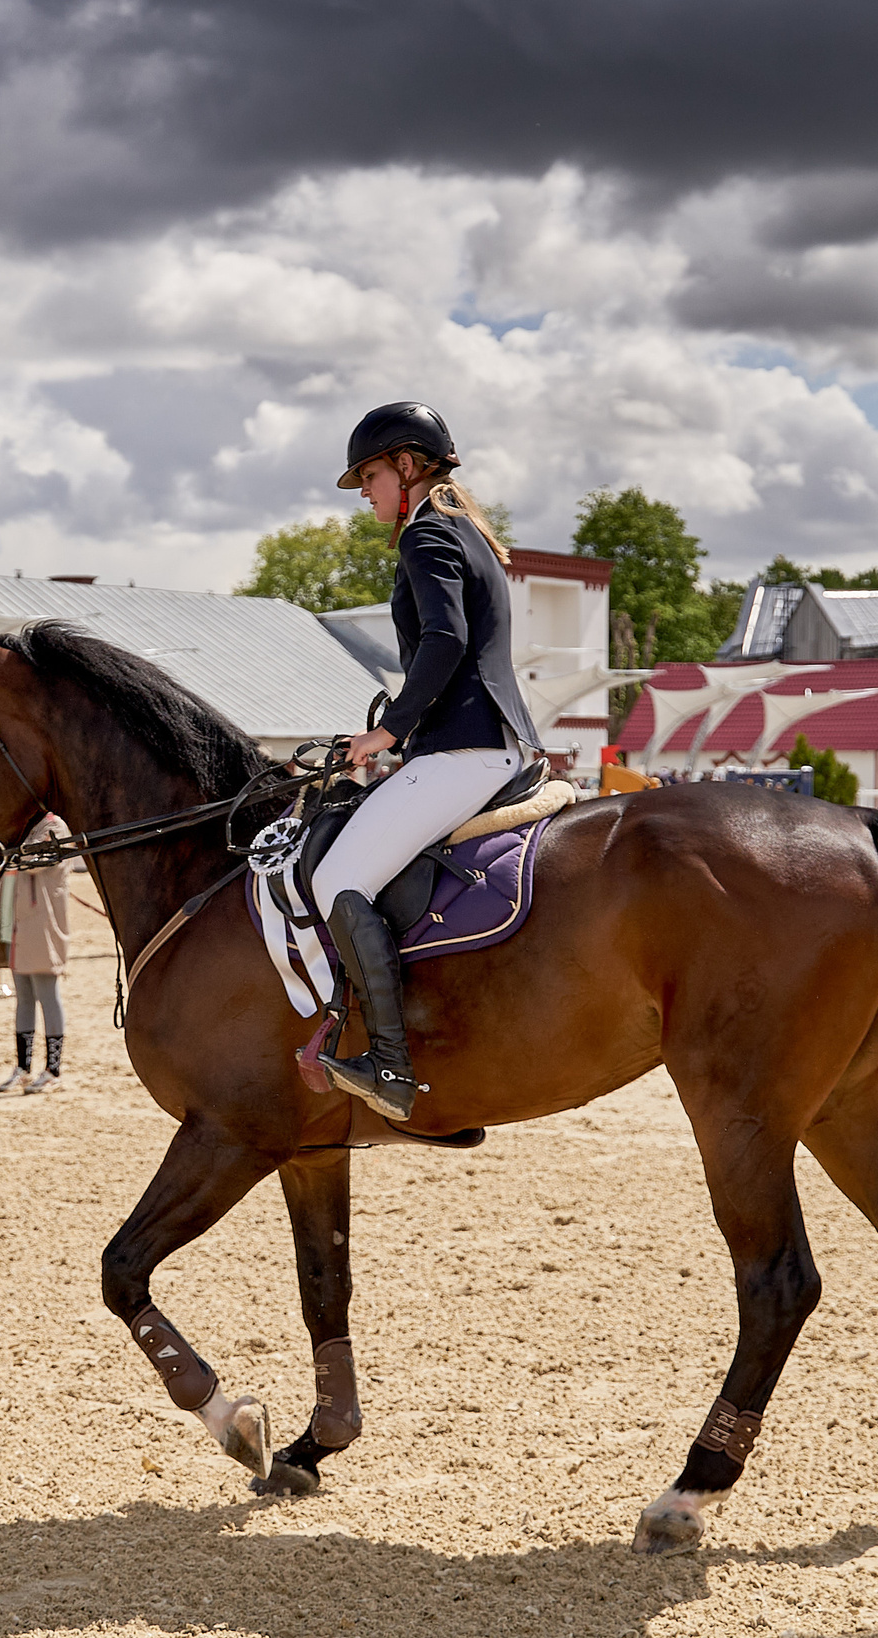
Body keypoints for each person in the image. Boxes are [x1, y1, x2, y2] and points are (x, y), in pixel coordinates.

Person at [311, 403, 540, 1121]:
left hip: (467, 746)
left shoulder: (427, 533)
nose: (367, 494)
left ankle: (390, 1063)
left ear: (407, 466)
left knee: (336, 876)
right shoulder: (463, 530)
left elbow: (443, 639)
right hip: (485, 738)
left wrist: (391, 730)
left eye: (371, 476)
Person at [0, 814, 73, 1093]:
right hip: (18, 926)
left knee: (48, 996)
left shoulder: (54, 827)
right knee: (25, 999)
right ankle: (23, 1068)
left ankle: (53, 1070)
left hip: (42, 926)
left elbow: (32, 862)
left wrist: (9, 850)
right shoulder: (25, 827)